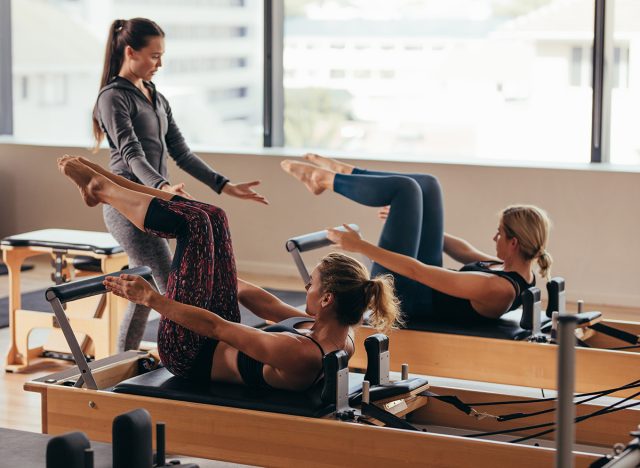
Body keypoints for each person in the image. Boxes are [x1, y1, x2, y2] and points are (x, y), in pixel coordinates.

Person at [58, 156, 401, 389]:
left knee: (194, 225)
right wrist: (209, 267)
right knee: (214, 219)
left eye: (310, 284)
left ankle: (103, 189)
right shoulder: (336, 332)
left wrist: (152, 298)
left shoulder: (300, 353)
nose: (305, 286)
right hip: (207, 335)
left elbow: (216, 325)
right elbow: (264, 304)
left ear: (327, 298)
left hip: (187, 353)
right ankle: (108, 184)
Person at [92, 18, 268, 352]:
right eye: (154, 56)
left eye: (162, 55)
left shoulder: (155, 96)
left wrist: (225, 185)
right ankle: (194, 354)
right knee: (169, 286)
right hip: (127, 204)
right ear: (130, 51)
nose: (160, 63)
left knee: (147, 291)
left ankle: (122, 361)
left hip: (155, 200)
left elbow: (182, 153)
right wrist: (161, 187)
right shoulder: (113, 97)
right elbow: (131, 154)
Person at [281, 154, 553, 324]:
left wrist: (360, 246)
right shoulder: (515, 269)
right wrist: (411, 219)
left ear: (514, 243)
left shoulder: (499, 289)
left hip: (406, 300)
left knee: (406, 189)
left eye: (500, 233)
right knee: (428, 184)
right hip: (420, 287)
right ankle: (347, 173)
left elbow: (416, 270)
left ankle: (324, 180)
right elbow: (464, 252)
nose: (494, 237)